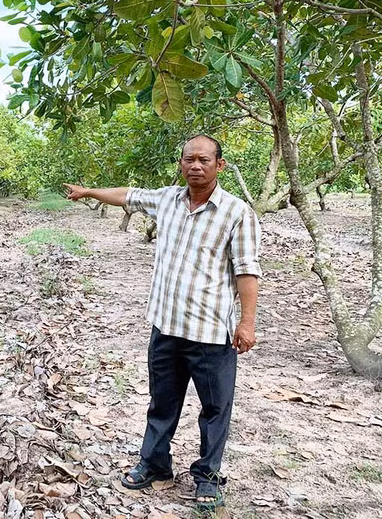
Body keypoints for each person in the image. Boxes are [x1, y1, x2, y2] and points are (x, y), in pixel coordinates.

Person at [63, 134, 261, 511]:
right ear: (181, 163)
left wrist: (246, 323)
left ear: (219, 165)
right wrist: (89, 192)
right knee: (162, 402)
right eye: (189, 159)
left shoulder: (237, 213)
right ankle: (155, 464)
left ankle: (208, 476)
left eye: (204, 160)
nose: (195, 166)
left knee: (215, 408)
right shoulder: (167, 200)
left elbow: (247, 272)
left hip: (210, 332)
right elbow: (128, 195)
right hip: (166, 326)